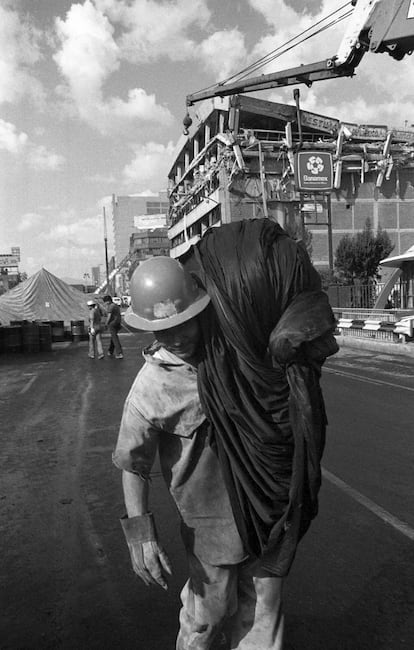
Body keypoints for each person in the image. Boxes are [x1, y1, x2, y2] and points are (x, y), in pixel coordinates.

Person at [113, 220, 338, 649]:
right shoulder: (151, 387)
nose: (175, 337)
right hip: (210, 532)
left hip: (267, 517)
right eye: (163, 330)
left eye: (184, 322)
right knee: (206, 620)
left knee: (262, 620)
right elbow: (132, 464)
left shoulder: (240, 356)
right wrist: (140, 538)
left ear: (203, 308)